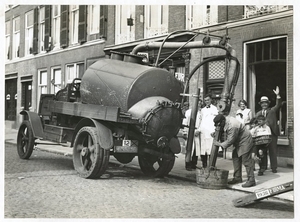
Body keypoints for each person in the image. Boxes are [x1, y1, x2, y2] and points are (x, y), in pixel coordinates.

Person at [213, 114, 256, 188]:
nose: (219, 126)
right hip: (238, 141)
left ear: (223, 121)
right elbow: (225, 131)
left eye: (219, 125)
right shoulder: (225, 121)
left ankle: (251, 180)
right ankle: (237, 177)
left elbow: (230, 140)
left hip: (245, 141)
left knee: (246, 160)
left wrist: (219, 144)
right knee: (235, 157)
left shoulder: (233, 125)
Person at [255, 86, 282, 173]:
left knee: (272, 150)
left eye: (266, 103)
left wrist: (278, 95)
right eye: (263, 103)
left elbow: (278, 105)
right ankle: (263, 166)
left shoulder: (272, 110)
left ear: (268, 103)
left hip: (272, 134)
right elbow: (255, 123)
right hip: (262, 135)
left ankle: (274, 167)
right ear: (260, 104)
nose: (264, 104)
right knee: (262, 151)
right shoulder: (258, 113)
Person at [198, 94, 218, 168]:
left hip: (211, 132)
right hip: (203, 132)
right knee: (203, 150)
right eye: (205, 100)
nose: (207, 101)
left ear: (211, 100)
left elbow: (216, 121)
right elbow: (201, 121)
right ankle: (204, 166)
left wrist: (215, 131)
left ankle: (211, 166)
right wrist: (199, 130)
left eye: (208, 100)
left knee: (211, 150)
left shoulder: (215, 109)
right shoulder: (202, 110)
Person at [182, 100, 202, 170]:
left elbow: (201, 123)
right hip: (189, 131)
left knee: (196, 149)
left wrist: (199, 130)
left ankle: (194, 164)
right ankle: (187, 164)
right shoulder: (188, 112)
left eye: (200, 104)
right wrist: (185, 132)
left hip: (197, 132)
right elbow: (185, 122)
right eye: (197, 103)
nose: (198, 105)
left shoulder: (200, 113)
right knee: (189, 149)